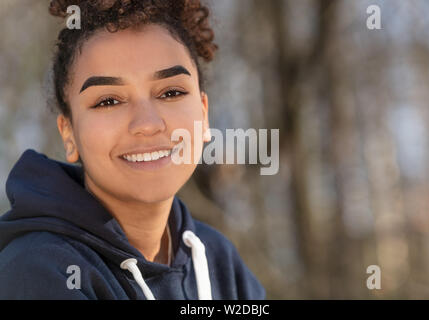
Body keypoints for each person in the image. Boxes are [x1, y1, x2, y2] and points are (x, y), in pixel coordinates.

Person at [0, 0, 265, 300]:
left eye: (171, 92)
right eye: (108, 101)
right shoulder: (38, 271)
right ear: (69, 134)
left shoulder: (219, 261)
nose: (147, 124)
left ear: (204, 115)